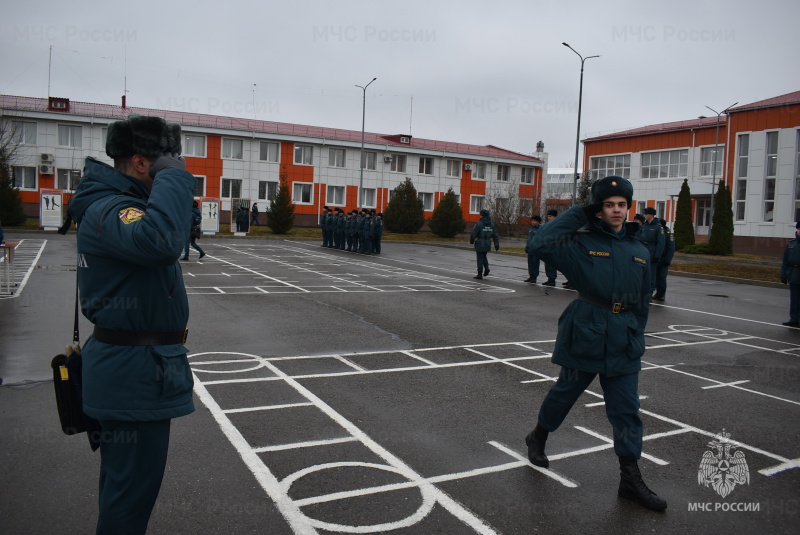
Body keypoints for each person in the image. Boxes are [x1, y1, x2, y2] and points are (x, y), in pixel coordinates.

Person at [67, 115, 195, 533]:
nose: (171, 167)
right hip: (134, 376)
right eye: (163, 161)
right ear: (142, 164)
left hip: (136, 371)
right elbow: (160, 241)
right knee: (129, 501)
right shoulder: (114, 209)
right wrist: (176, 175)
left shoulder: (117, 206)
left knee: (125, 492)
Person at [526, 175, 666, 511]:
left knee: (627, 411)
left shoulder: (639, 250)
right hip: (587, 329)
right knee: (565, 394)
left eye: (621, 205)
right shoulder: (581, 243)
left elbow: (643, 301)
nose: (616, 210)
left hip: (624, 338)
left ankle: (630, 479)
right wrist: (579, 212)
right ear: (599, 210)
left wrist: (637, 333)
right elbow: (539, 244)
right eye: (608, 205)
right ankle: (539, 435)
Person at [636, 207, 664, 293]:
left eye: (646, 214)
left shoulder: (658, 227)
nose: (645, 216)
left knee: (651, 273)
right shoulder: (644, 226)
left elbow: (661, 243)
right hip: (643, 250)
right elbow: (637, 237)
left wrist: (657, 255)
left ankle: (650, 291)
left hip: (652, 251)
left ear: (651, 215)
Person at [469, 208, 499, 279]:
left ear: (482, 216)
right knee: (484, 256)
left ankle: (480, 273)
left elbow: (474, 234)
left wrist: (471, 241)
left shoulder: (479, 224)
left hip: (480, 242)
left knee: (479, 257)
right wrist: (496, 244)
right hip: (488, 242)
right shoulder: (492, 224)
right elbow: (495, 235)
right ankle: (486, 267)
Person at [780, 222, 800, 327]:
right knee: (794, 298)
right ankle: (794, 319)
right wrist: (783, 274)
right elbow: (785, 261)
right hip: (794, 273)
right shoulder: (790, 244)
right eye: (799, 229)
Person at [653, 219, 675, 301]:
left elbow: (671, 248)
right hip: (657, 259)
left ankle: (662, 294)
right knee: (656, 277)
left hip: (664, 259)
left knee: (662, 278)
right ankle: (657, 293)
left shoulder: (669, 235)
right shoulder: (658, 232)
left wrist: (668, 260)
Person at [542, 209, 559, 286]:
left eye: (550, 216)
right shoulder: (548, 224)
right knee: (547, 264)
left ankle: (552, 279)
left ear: (555, 217)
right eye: (548, 216)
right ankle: (549, 278)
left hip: (554, 247)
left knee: (552, 265)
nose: (549, 218)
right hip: (547, 247)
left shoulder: (558, 224)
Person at [524, 215, 543, 283]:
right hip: (530, 249)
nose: (532, 222)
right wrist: (527, 247)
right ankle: (531, 275)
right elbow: (529, 239)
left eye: (534, 221)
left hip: (536, 249)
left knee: (535, 263)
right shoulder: (531, 229)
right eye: (532, 220)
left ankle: (534, 277)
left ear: (538, 222)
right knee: (530, 263)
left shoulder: (540, 229)